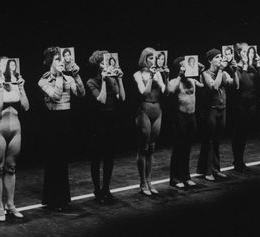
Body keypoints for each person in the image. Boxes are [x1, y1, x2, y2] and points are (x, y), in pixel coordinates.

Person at [38, 47, 85, 211]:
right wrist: (58, 76)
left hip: (65, 121)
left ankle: (63, 198)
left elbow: (81, 93)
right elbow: (56, 95)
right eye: (58, 60)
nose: (62, 62)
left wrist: (76, 76)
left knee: (62, 161)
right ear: (51, 62)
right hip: (52, 122)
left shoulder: (68, 77)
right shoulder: (43, 80)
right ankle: (52, 199)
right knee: (53, 161)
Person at [0, 57, 30, 221]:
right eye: (4, 66)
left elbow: (26, 106)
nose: (7, 69)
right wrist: (1, 87)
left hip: (16, 130)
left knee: (11, 168)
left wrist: (21, 87)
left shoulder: (17, 86)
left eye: (9, 66)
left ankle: (10, 204)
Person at [86, 50, 125, 203]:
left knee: (109, 157)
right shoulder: (91, 81)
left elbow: (122, 97)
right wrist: (103, 81)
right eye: (102, 63)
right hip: (97, 122)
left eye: (106, 62)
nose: (105, 65)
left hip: (111, 121)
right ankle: (97, 190)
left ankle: (106, 189)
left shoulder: (112, 80)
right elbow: (101, 99)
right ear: (98, 65)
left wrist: (120, 80)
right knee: (96, 158)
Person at [197, 49, 238, 181]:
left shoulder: (224, 73)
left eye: (221, 57)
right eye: (217, 57)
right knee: (209, 141)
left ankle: (216, 169)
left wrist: (235, 71)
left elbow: (235, 85)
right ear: (210, 60)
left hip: (222, 109)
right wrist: (220, 70)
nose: (220, 59)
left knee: (217, 140)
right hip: (210, 111)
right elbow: (213, 86)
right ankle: (207, 171)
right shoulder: (205, 74)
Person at [133, 47, 166, 195]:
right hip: (144, 110)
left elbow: (165, 91)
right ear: (144, 59)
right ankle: (142, 183)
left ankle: (149, 181)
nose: (153, 61)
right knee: (143, 147)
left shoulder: (158, 73)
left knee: (152, 148)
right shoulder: (138, 74)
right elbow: (144, 92)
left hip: (157, 109)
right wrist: (151, 78)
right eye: (150, 58)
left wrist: (161, 78)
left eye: (154, 58)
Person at [168, 57, 203, 188]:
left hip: (191, 117)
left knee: (187, 148)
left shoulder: (193, 80)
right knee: (179, 148)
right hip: (180, 117)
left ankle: (186, 176)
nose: (186, 67)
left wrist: (195, 64)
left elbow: (203, 84)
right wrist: (179, 75)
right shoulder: (174, 81)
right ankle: (175, 179)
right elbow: (171, 90)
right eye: (183, 65)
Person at [232, 43, 259, 171]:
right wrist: (242, 65)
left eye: (249, 51)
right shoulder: (235, 67)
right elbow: (239, 84)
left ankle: (240, 160)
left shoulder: (252, 67)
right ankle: (237, 161)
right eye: (244, 51)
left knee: (244, 133)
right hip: (239, 103)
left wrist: (257, 65)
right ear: (238, 53)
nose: (247, 54)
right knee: (239, 133)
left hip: (251, 103)